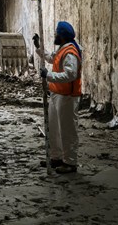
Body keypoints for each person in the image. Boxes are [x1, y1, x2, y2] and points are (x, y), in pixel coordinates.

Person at [33, 21, 82, 174]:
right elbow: (50, 58)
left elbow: (70, 74)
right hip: (57, 94)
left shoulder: (71, 52)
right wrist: (38, 47)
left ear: (62, 36)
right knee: (54, 128)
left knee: (67, 130)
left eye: (56, 33)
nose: (54, 35)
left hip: (67, 96)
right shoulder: (63, 48)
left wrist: (49, 75)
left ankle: (70, 162)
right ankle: (56, 158)